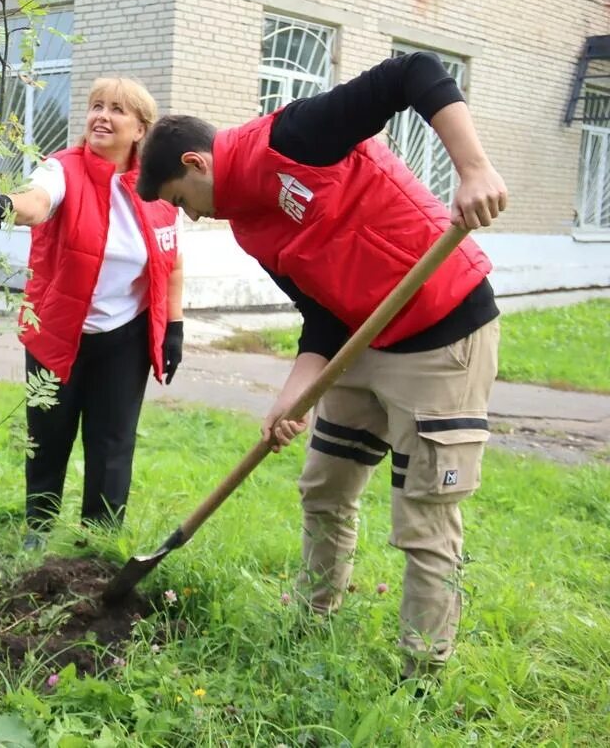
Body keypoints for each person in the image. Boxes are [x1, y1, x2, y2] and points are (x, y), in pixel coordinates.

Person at [135, 51, 507, 683]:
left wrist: (472, 170)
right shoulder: (251, 227)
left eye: (182, 200)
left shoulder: (292, 139)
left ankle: (421, 674)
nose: (192, 217)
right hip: (363, 342)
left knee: (423, 515)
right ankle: (310, 622)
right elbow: (322, 318)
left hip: (441, 330)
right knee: (325, 487)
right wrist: (291, 397)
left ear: (196, 163)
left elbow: (412, 72)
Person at [0, 78, 185, 549]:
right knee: (48, 436)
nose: (101, 117)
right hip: (58, 331)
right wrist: (7, 207)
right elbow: (38, 202)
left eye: (116, 110)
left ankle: (100, 539)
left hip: (124, 339)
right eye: (95, 107)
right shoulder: (62, 169)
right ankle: (39, 530)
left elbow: (172, 262)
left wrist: (174, 327)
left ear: (140, 129)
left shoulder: (157, 189)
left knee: (113, 444)